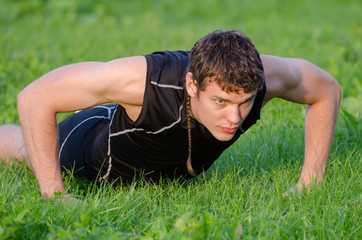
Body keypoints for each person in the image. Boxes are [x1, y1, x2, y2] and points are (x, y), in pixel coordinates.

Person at [0, 30, 341, 199]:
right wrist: (55, 195)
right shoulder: (146, 79)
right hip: (93, 145)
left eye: (245, 103)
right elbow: (34, 96)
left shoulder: (262, 79)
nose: (235, 118)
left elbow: (327, 90)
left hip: (153, 148)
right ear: (192, 84)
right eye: (220, 102)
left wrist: (310, 181)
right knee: (22, 150)